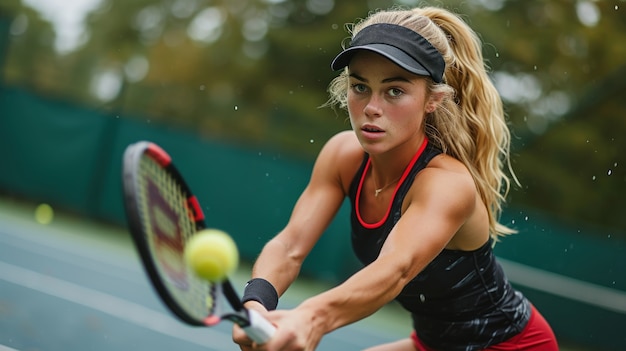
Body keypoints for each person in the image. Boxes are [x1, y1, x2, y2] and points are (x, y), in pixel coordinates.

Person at [233, 5, 558, 351]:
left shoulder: (446, 184)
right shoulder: (342, 156)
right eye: (360, 87)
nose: (372, 107)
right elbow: (289, 247)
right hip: (432, 344)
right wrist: (257, 303)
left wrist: (311, 317)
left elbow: (396, 270)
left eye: (394, 91)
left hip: (511, 345)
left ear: (432, 100)